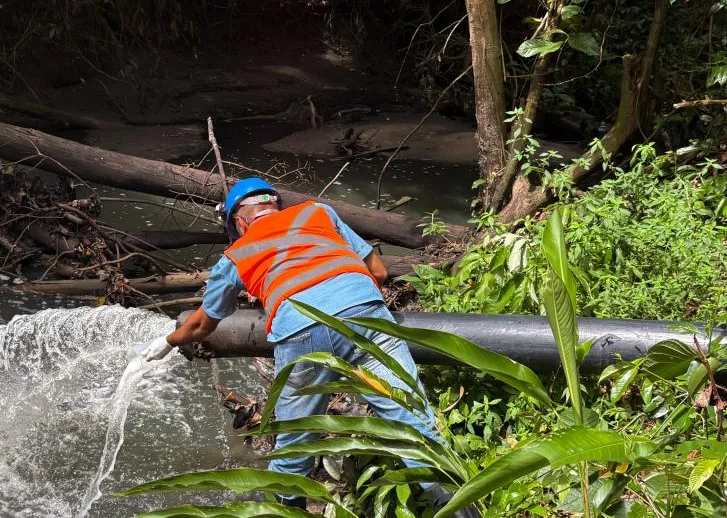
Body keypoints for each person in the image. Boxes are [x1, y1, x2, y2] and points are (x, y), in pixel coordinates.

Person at [136, 178, 479, 516]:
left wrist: (167, 341)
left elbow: (201, 324)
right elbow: (377, 270)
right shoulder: (318, 213)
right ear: (273, 206)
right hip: (366, 315)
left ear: (240, 221)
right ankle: (461, 509)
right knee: (412, 421)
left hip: (300, 331)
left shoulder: (236, 254)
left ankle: (288, 511)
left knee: (294, 442)